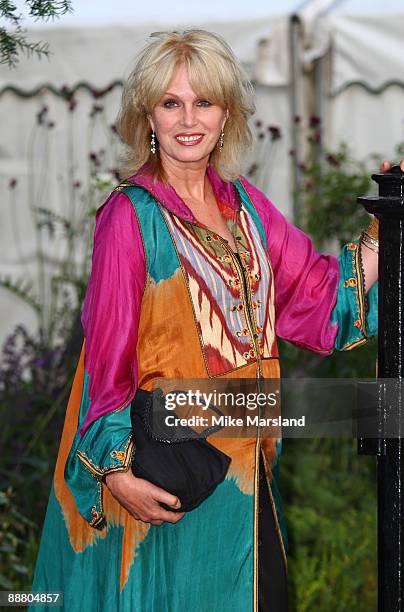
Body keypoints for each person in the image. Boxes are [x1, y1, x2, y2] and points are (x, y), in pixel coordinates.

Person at [30, 29, 381, 612]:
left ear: (227, 114)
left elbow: (320, 301)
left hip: (246, 479)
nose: (188, 118)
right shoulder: (129, 216)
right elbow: (106, 356)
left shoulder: (248, 209)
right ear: (148, 116)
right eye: (171, 103)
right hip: (169, 477)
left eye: (204, 101)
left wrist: (385, 228)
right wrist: (116, 473)